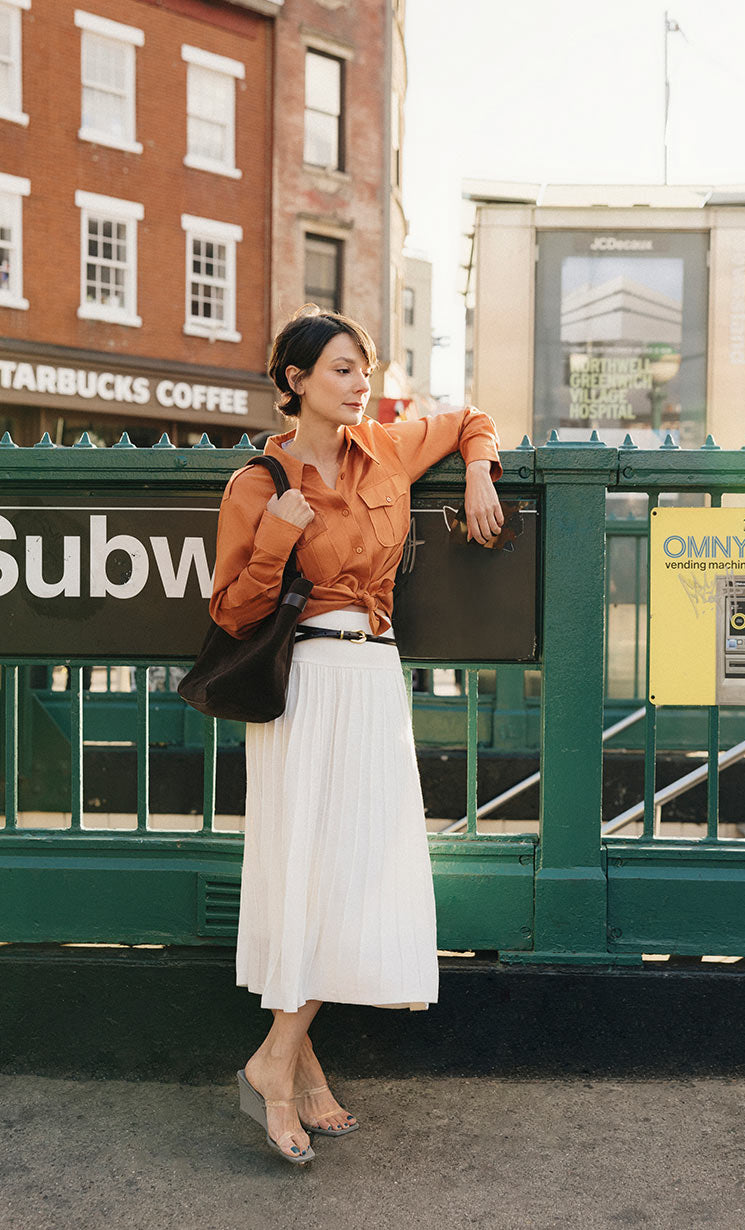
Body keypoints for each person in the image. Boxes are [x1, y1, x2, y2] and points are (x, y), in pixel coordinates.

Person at [209, 305, 503, 1166]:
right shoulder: (256, 485)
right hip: (306, 681)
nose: (359, 382)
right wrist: (279, 535)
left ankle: (287, 1063)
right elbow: (231, 609)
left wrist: (479, 470)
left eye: (364, 368)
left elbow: (470, 418)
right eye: (341, 369)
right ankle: (280, 1067)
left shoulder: (386, 448)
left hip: (374, 672)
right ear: (294, 382)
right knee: (311, 868)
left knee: (359, 868)